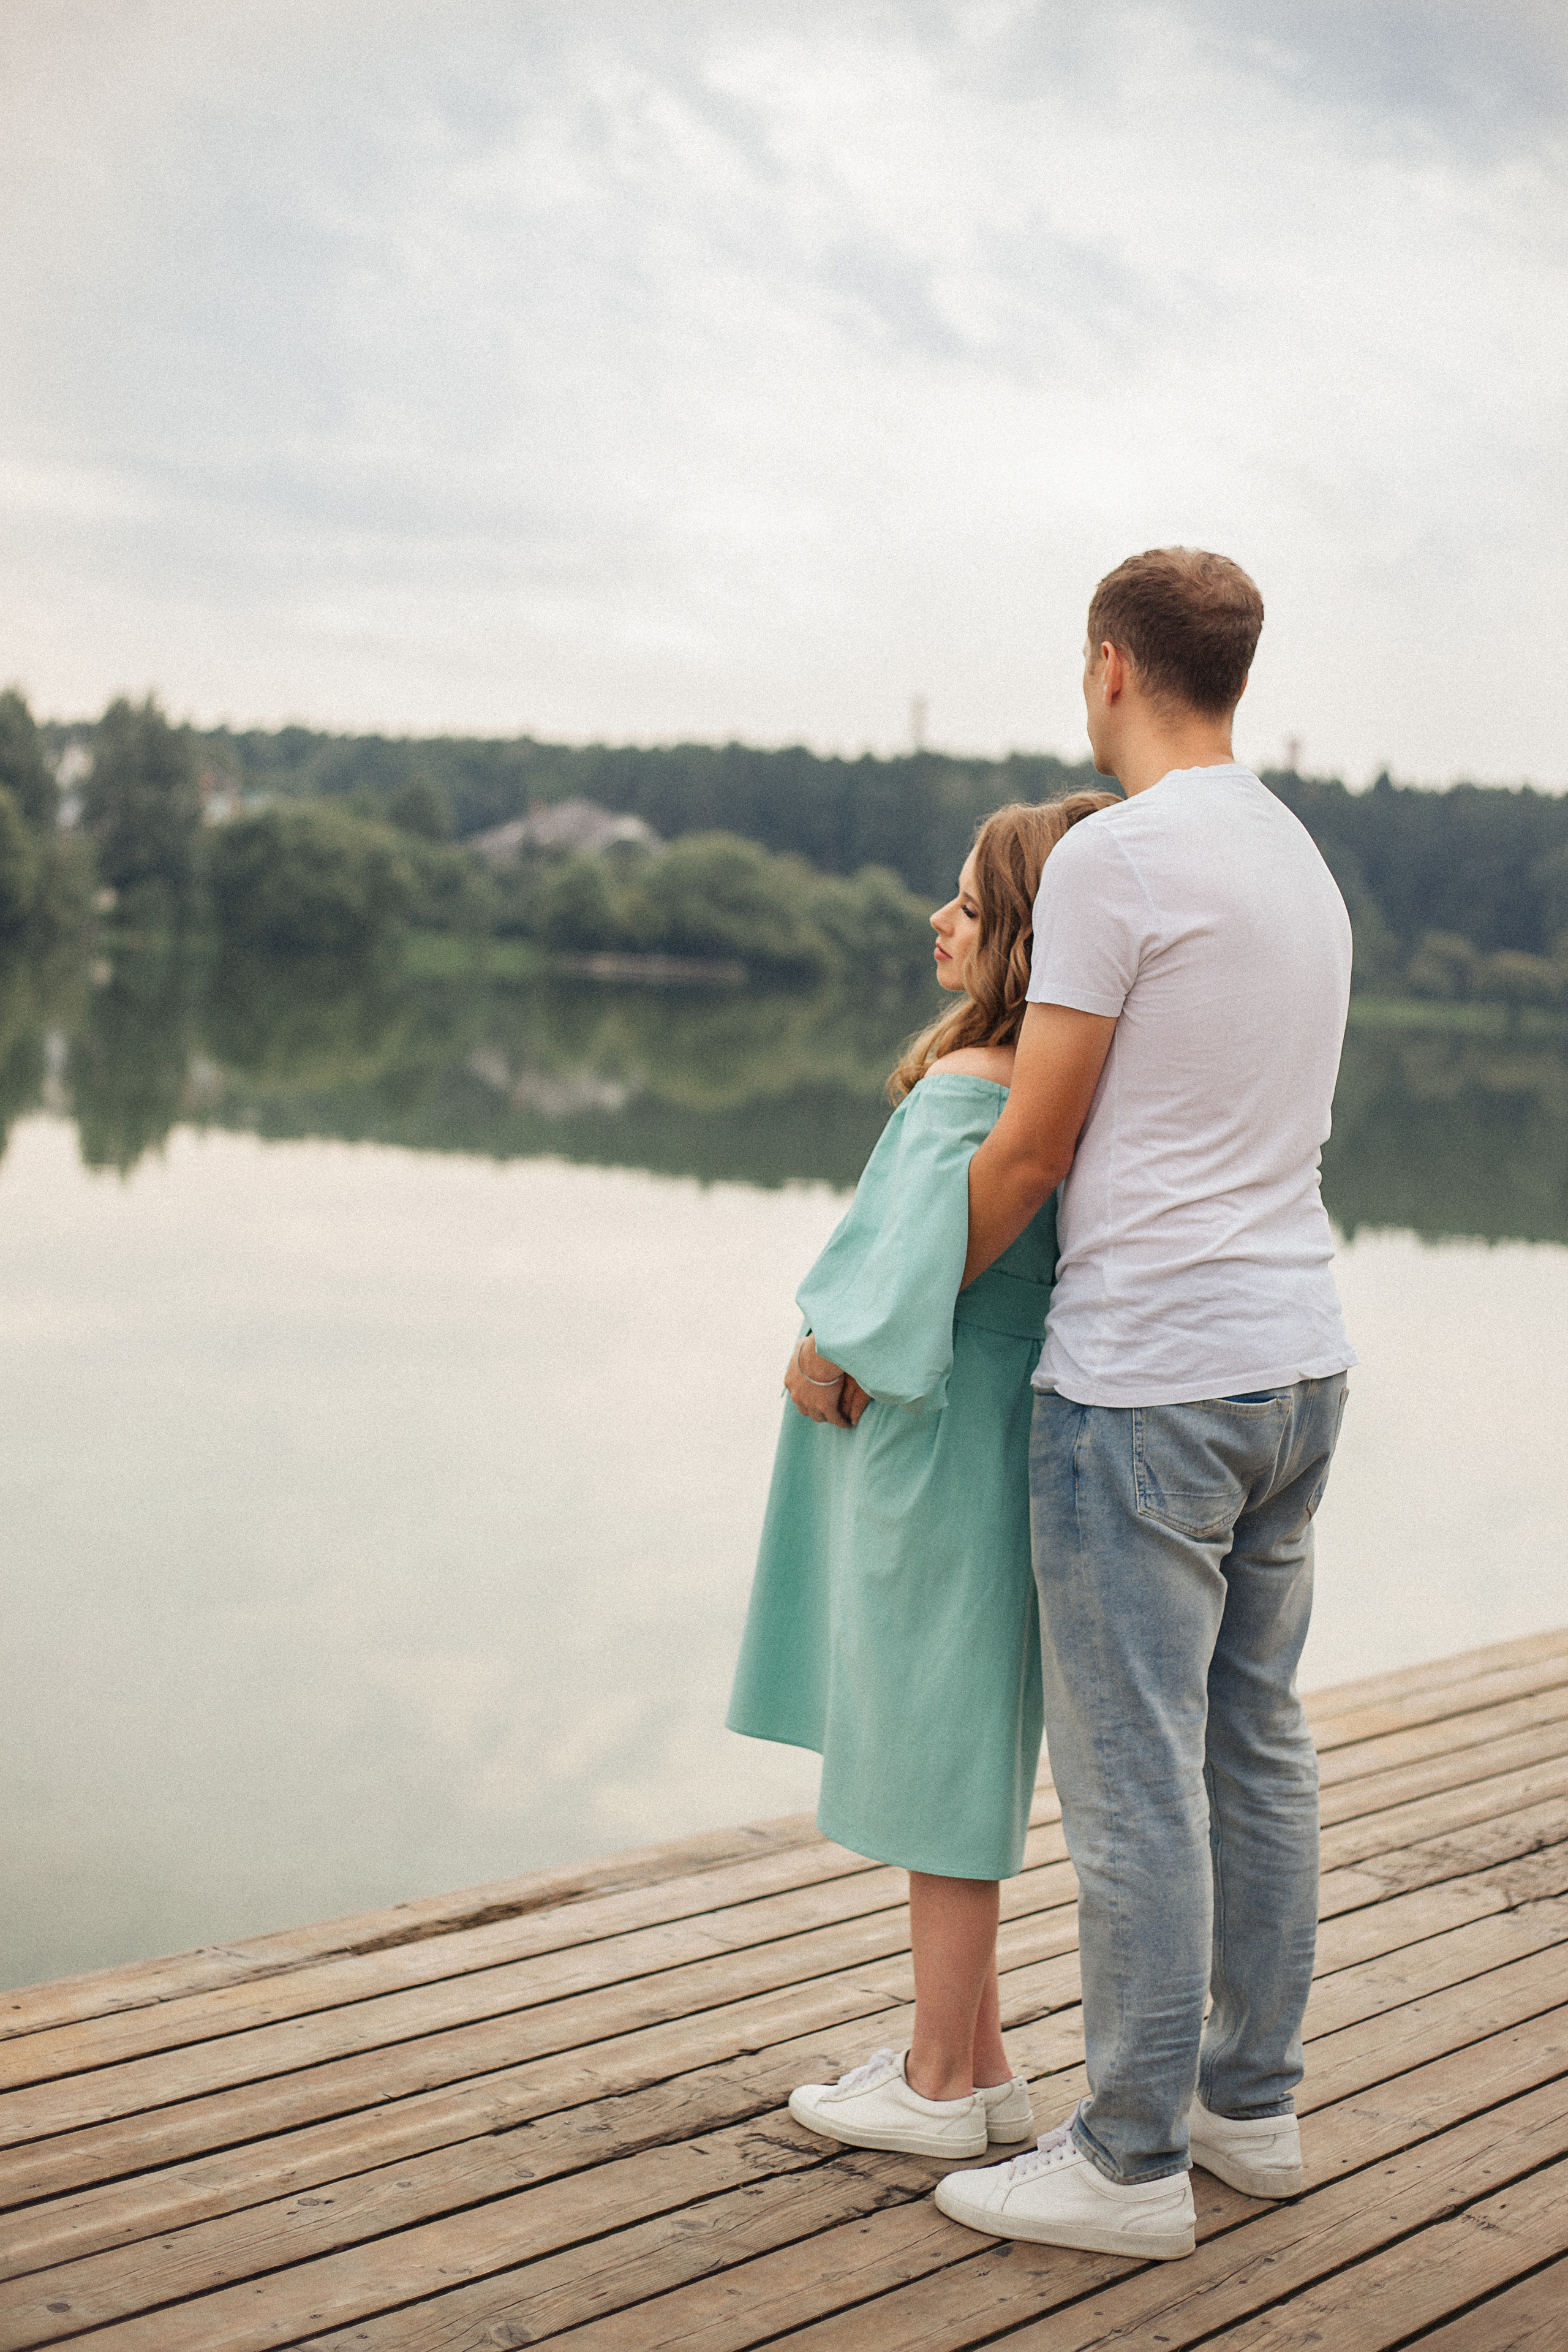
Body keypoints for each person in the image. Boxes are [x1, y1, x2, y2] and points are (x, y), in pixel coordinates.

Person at [932, 548, 1355, 2263]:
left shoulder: (1117, 858)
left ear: (1111, 666)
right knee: (1255, 1737)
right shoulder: (1299, 859)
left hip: (1148, 1383)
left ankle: (1122, 2160)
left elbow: (1031, 1146)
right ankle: (1247, 2109)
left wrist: (887, 1324)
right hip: (1299, 1359)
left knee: (1133, 1777)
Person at [728, 791, 1115, 2163]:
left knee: (937, 1745)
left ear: (1015, 937)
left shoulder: (973, 1088)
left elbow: (899, 1274)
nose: (935, 918)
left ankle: (939, 2082)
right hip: (1000, 1416)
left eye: (962, 900)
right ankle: (987, 2065)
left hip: (935, 1425)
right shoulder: (1061, 1089)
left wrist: (827, 1348)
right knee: (953, 1726)